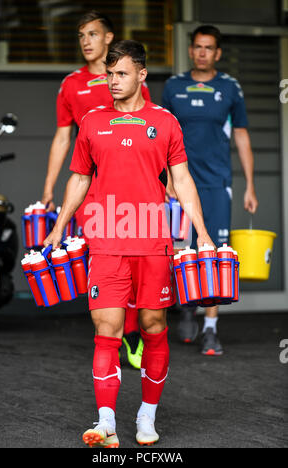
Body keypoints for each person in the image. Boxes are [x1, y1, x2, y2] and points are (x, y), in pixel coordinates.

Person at [44, 40, 214, 448]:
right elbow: (80, 178)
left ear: (141, 75)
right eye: (109, 74)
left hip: (153, 239)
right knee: (107, 329)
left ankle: (146, 414)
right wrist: (59, 226)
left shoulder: (166, 122)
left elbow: (183, 180)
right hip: (105, 239)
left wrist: (202, 231)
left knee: (155, 326)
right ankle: (105, 422)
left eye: (121, 74)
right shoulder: (92, 122)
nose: (113, 81)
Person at [41, 10, 151, 369]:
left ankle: (132, 333)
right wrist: (49, 189)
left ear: (108, 38)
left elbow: (153, 133)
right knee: (104, 266)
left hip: (133, 194)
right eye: (80, 36)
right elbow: (62, 138)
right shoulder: (71, 84)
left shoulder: (129, 78)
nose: (85, 41)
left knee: (135, 267)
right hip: (92, 194)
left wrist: (163, 184)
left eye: (92, 34)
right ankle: (112, 334)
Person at [162, 25, 258, 356]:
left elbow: (242, 135)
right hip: (180, 181)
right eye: (198, 47)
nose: (203, 52)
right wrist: (167, 181)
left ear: (217, 53)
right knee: (179, 250)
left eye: (209, 48)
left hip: (217, 184)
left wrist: (249, 185)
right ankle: (187, 307)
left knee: (216, 253)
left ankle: (211, 328)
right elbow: (161, 135)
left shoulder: (230, 88)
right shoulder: (173, 86)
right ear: (190, 51)